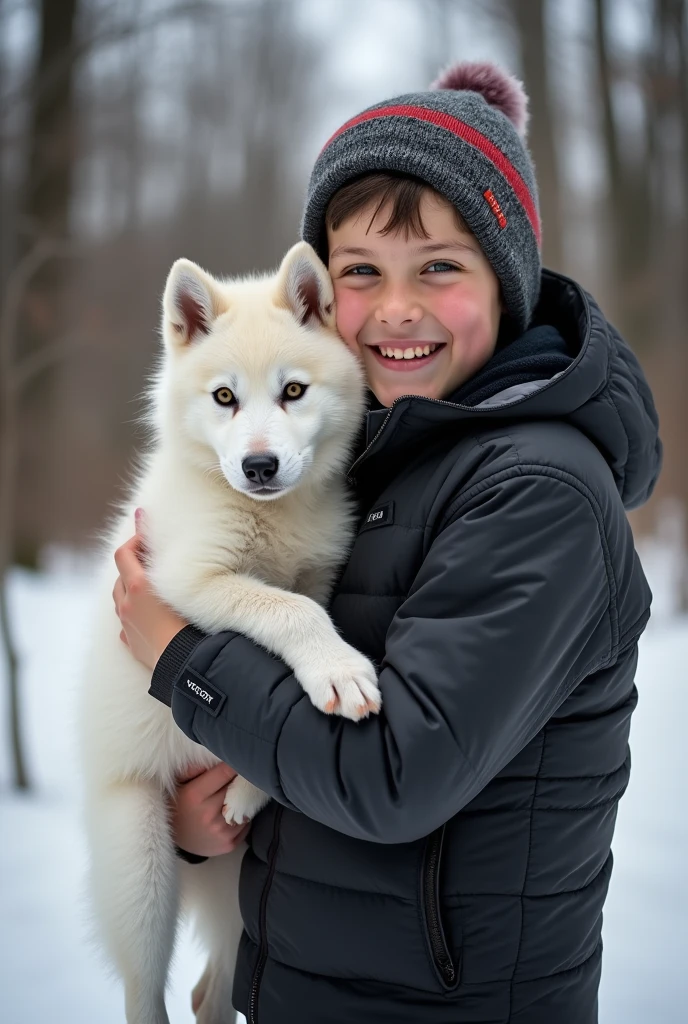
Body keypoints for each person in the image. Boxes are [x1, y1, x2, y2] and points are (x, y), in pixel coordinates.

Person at [113, 61, 662, 1024]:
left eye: (440, 268)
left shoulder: (536, 493)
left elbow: (395, 774)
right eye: (362, 271)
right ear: (324, 294)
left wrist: (180, 657)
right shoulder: (375, 458)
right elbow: (302, 736)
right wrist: (209, 819)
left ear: (509, 279)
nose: (397, 309)